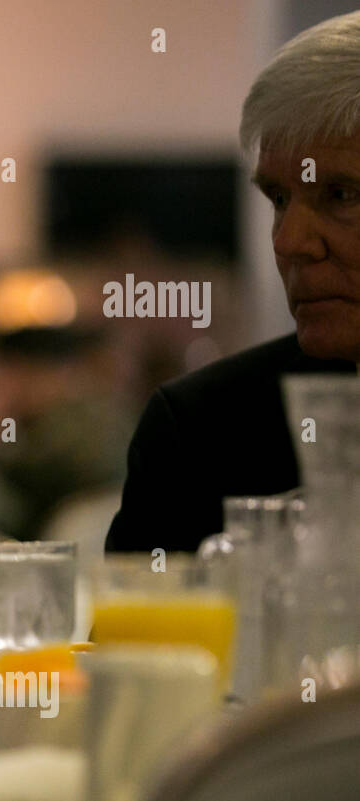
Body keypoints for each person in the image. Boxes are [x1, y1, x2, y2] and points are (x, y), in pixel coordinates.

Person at [106, 11, 360, 554]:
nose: (290, 241)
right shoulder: (204, 432)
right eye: (278, 199)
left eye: (341, 195)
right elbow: (133, 641)